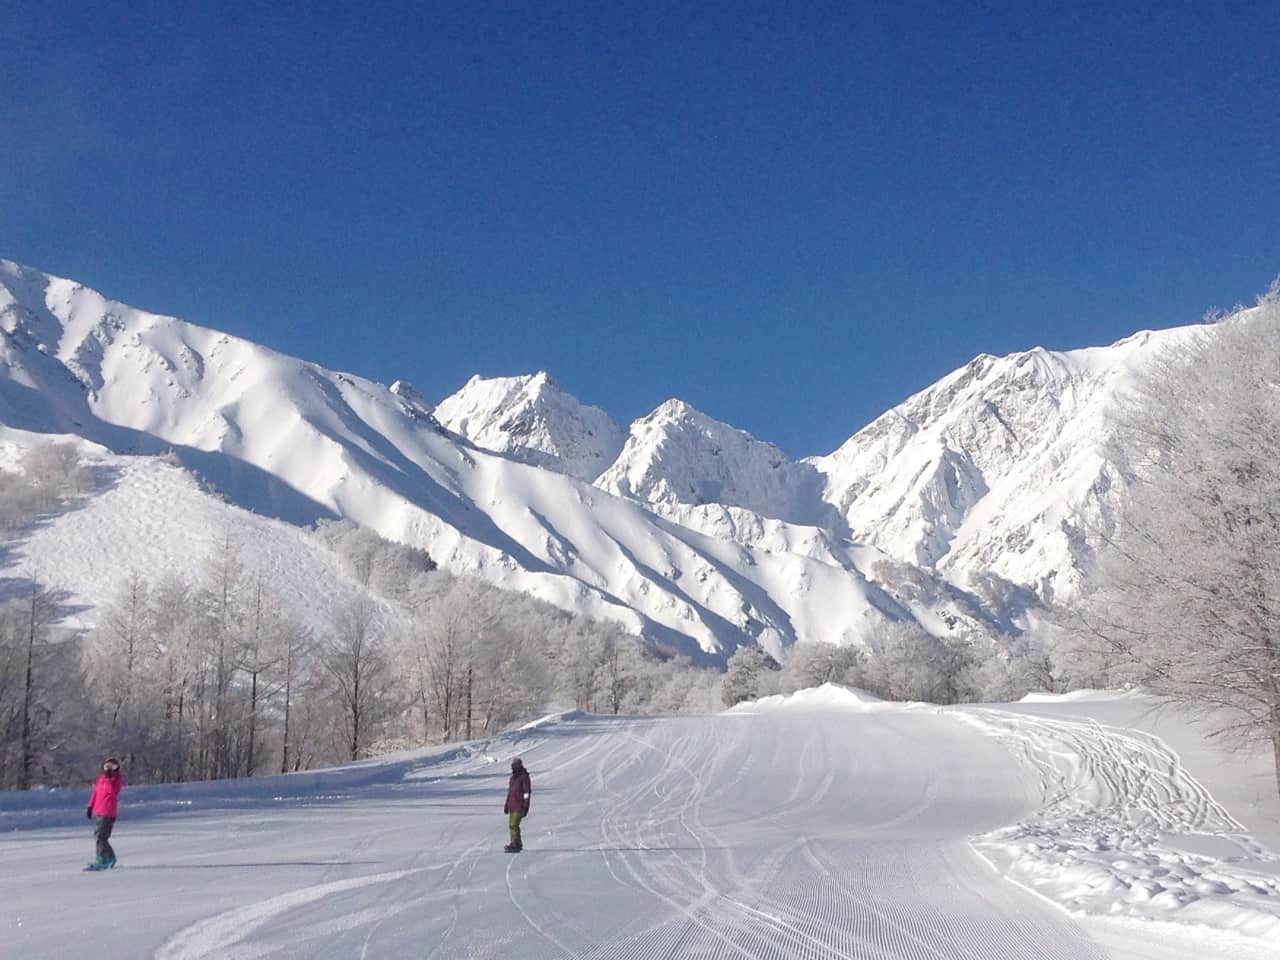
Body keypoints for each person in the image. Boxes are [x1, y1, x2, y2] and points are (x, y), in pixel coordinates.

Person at [86, 757, 124, 870]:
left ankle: (104, 858)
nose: (108, 769)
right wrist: (90, 806)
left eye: (112, 767)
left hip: (108, 811)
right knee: (99, 836)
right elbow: (95, 793)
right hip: (99, 810)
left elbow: (112, 791)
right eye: (107, 766)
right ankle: (105, 858)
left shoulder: (116, 779)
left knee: (101, 837)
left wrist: (109, 778)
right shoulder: (101, 778)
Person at [503, 757, 531, 853]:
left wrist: (526, 806)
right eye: (513, 765)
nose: (514, 767)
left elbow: (527, 793)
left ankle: (515, 844)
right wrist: (506, 805)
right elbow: (510, 792)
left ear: (520, 765)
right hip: (512, 805)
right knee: (512, 826)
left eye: (516, 765)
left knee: (514, 825)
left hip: (519, 805)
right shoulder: (513, 778)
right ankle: (517, 843)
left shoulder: (524, 777)